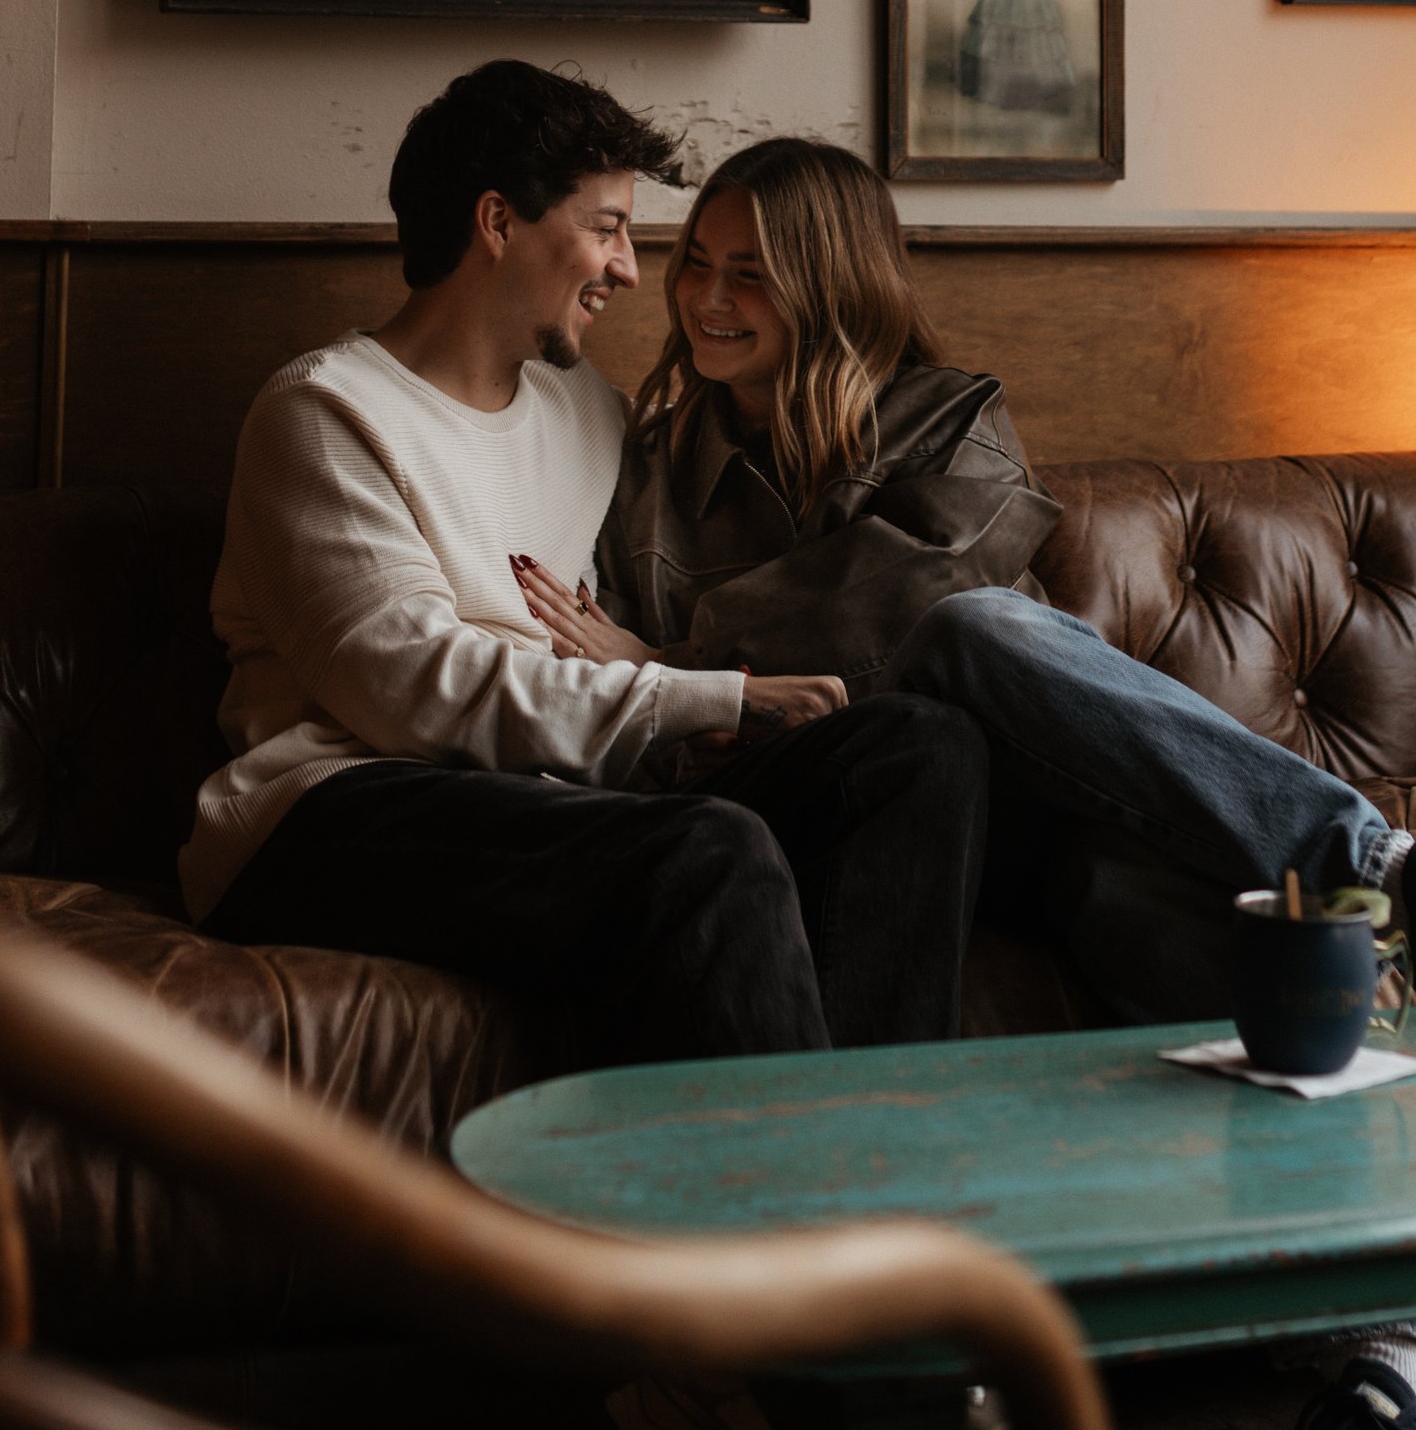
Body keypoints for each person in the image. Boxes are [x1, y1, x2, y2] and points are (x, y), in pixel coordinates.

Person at [518, 137, 1416, 1430]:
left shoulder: (955, 419)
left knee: (1160, 878)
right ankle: (1382, 871)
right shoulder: (654, 461)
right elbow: (724, 681)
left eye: (753, 269)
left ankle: (1385, 1359)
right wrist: (711, 677)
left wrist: (690, 650)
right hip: (847, 822)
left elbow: (918, 596)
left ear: (833, 284)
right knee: (958, 655)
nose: (705, 294)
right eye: (697, 259)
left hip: (1041, 832)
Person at [183, 64, 990, 1070]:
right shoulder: (323, 414)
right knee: (709, 853)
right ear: (497, 222)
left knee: (914, 751)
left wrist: (687, 714)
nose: (630, 270)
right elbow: (413, 694)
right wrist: (700, 700)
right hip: (333, 812)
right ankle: (810, 1211)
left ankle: (881, 1161)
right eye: (606, 227)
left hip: (558, 799)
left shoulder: (593, 416)